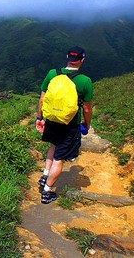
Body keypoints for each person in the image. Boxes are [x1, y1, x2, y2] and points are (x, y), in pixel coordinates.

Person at [35, 46, 93, 204]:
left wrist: (39, 117)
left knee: (53, 147)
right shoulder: (84, 81)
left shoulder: (52, 73)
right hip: (70, 124)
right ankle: (47, 192)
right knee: (59, 159)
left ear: (67, 57)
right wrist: (86, 124)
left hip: (52, 119)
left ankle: (45, 175)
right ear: (82, 60)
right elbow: (87, 108)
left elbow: (42, 99)